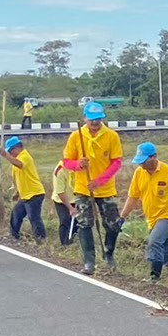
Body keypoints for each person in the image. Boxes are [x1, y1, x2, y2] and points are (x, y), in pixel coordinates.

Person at [62, 101, 124, 275]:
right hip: (83, 187)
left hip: (105, 188)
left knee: (113, 224)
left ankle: (109, 254)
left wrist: (99, 181)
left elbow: (116, 162)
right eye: (91, 119)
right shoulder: (76, 136)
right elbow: (67, 162)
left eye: (98, 119)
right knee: (84, 223)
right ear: (85, 118)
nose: (95, 123)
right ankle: (89, 261)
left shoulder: (112, 136)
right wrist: (78, 164)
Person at [119, 142, 168, 281]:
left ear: (154, 157)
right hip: (151, 216)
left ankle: (154, 275)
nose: (141, 165)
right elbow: (132, 197)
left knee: (155, 242)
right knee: (165, 241)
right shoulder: (139, 173)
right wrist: (122, 217)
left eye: (144, 161)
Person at [0, 137, 47, 243]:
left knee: (34, 217)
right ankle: (14, 236)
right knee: (16, 213)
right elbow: (18, 178)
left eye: (11, 151)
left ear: (17, 148)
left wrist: (5, 156)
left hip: (34, 193)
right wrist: (17, 192)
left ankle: (41, 239)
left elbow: (20, 164)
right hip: (25, 194)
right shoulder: (16, 160)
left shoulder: (25, 156)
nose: (10, 154)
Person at [51, 160, 77, 246]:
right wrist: (71, 208)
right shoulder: (60, 170)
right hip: (61, 200)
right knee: (65, 220)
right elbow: (60, 192)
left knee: (77, 222)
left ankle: (74, 242)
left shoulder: (80, 167)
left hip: (76, 198)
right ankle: (65, 244)